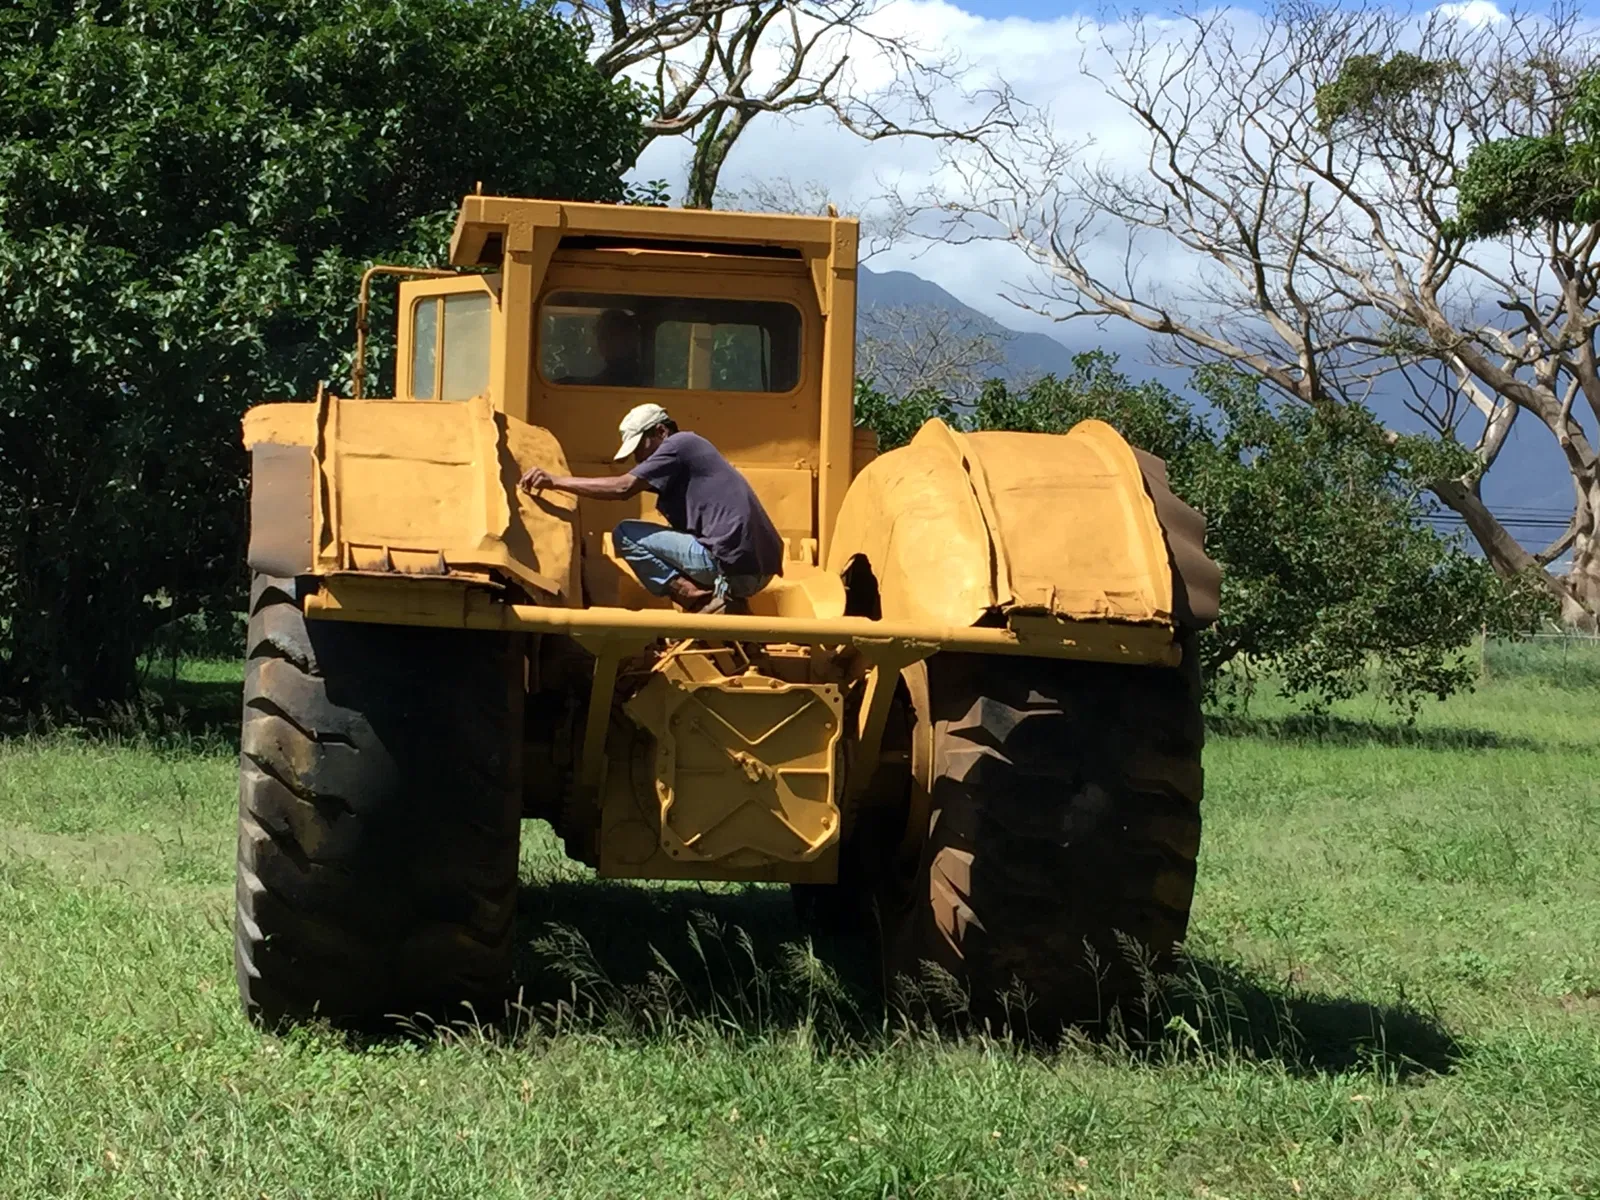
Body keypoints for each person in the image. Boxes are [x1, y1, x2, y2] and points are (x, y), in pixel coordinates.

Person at [518, 402, 783, 614]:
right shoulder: (691, 457)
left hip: (730, 565)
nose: (638, 458)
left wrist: (555, 481)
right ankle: (731, 607)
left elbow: (623, 488)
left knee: (626, 534)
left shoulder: (679, 445)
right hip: (760, 568)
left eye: (639, 447)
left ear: (660, 431)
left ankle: (695, 599)